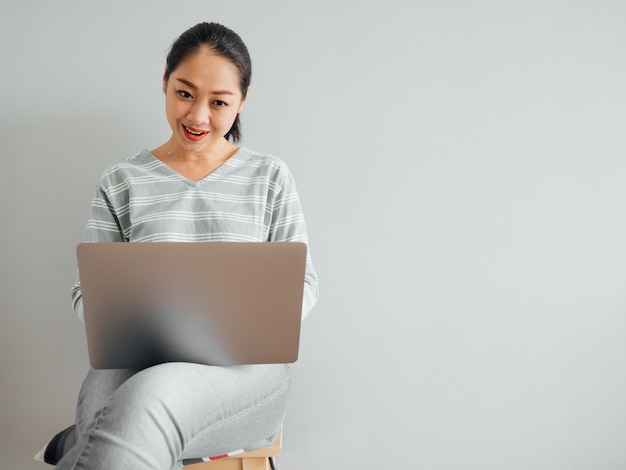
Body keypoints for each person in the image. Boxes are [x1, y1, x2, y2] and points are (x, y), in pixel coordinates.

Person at [49, 21, 318, 470]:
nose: (197, 117)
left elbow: (303, 282)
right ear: (165, 83)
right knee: (114, 397)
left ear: (243, 101)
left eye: (219, 103)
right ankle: (80, 443)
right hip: (134, 360)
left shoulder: (269, 176)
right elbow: (86, 294)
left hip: (246, 372)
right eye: (185, 93)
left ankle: (75, 445)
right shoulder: (121, 180)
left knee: (146, 399)